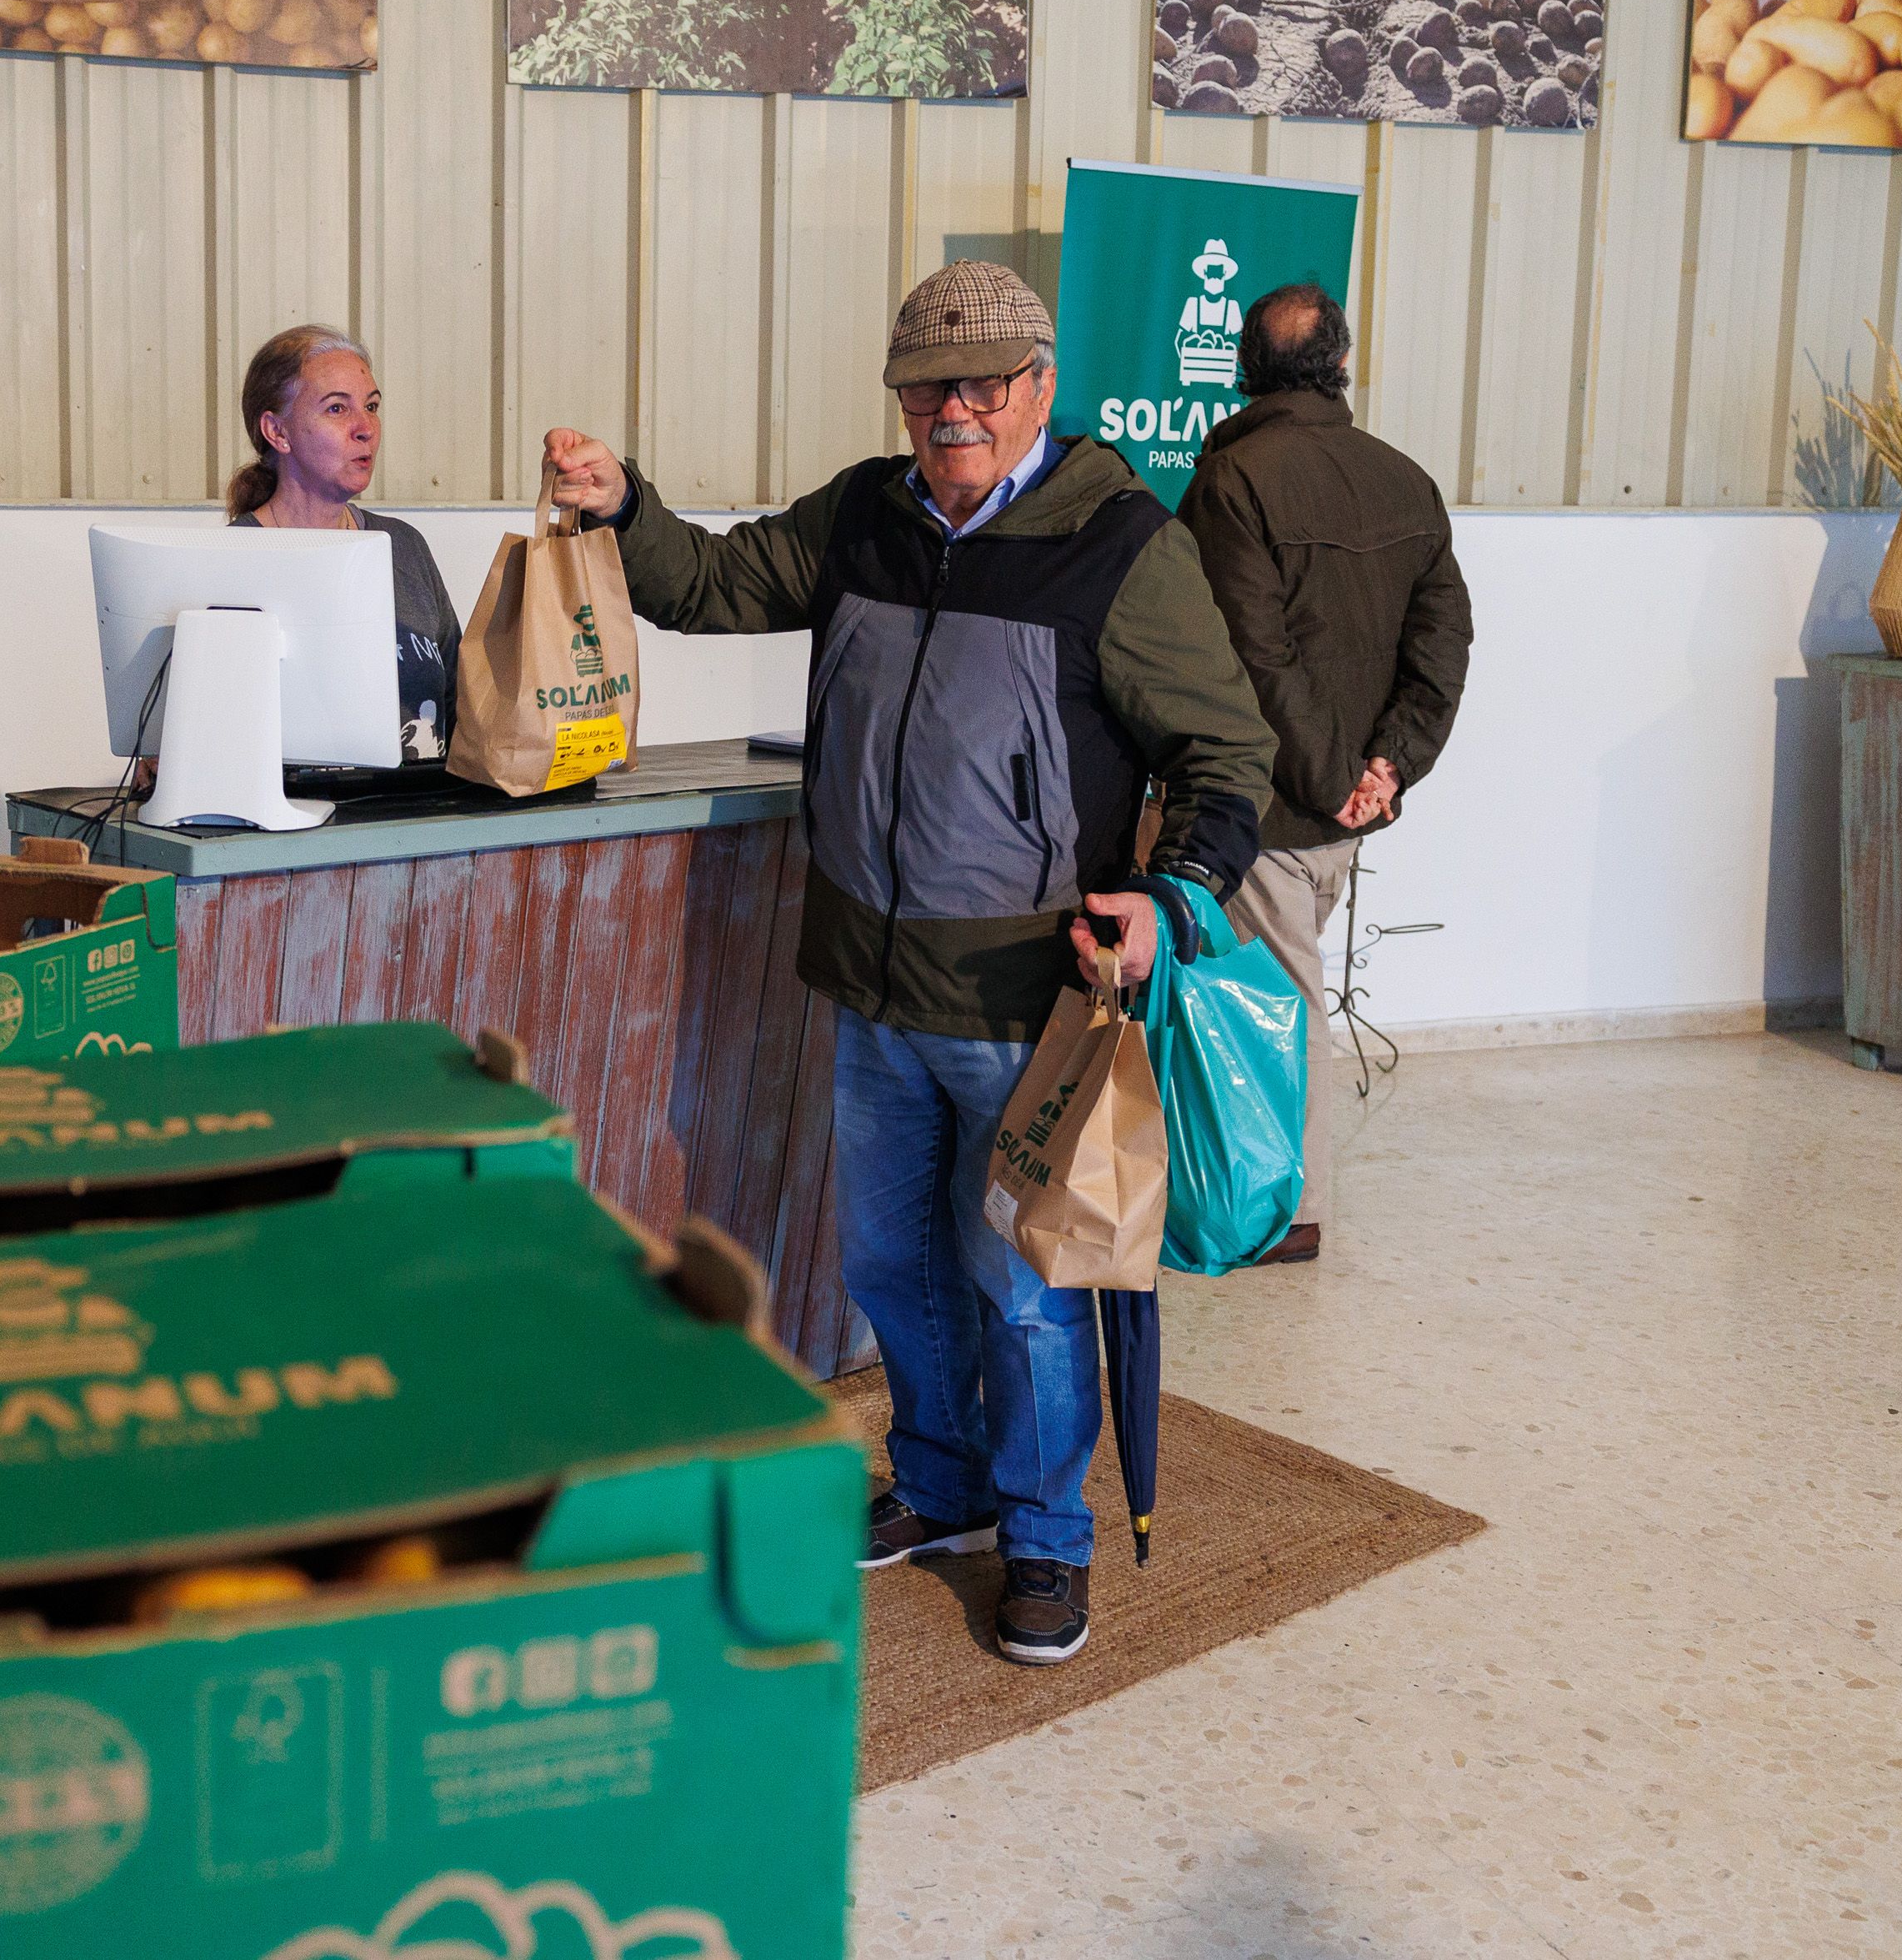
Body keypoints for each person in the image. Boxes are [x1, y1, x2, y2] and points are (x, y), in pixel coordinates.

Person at [543, 260, 1276, 1667]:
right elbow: (710, 579)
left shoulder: (1121, 544)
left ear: (1041, 387)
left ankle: (1047, 1539)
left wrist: (1171, 898)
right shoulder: (864, 515)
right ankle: (940, 1486)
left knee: (1027, 1289)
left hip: (1024, 1002)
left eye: (982, 385)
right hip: (873, 990)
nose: (952, 411)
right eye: (927, 387)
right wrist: (624, 505)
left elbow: (1225, 749)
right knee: (894, 1266)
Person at [1177, 283, 1472, 1267]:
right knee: (1287, 1002)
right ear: (1341, 365)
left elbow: (1249, 657)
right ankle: (1252, 1192)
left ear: (1244, 371)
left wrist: (1333, 776)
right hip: (1344, 816)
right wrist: (1388, 768)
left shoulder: (1231, 483)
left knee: (1282, 1012)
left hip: (1266, 809)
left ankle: (1289, 1213)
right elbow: (1445, 643)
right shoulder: (1406, 481)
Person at [228, 323, 462, 764]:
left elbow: (461, 703)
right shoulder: (236, 560)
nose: (365, 428)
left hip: (417, 819)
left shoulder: (404, 547)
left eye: (371, 407)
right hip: (301, 824)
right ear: (278, 432)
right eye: (337, 409)